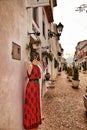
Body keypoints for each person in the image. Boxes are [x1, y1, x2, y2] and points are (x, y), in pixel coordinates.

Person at [23, 52, 42, 130]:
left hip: (36, 87)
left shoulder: (37, 67)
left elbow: (40, 77)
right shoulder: (30, 66)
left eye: (37, 57)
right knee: (31, 104)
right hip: (31, 87)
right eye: (35, 57)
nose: (36, 58)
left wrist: (37, 64)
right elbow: (29, 76)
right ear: (33, 57)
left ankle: (35, 121)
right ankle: (30, 123)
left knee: (36, 104)